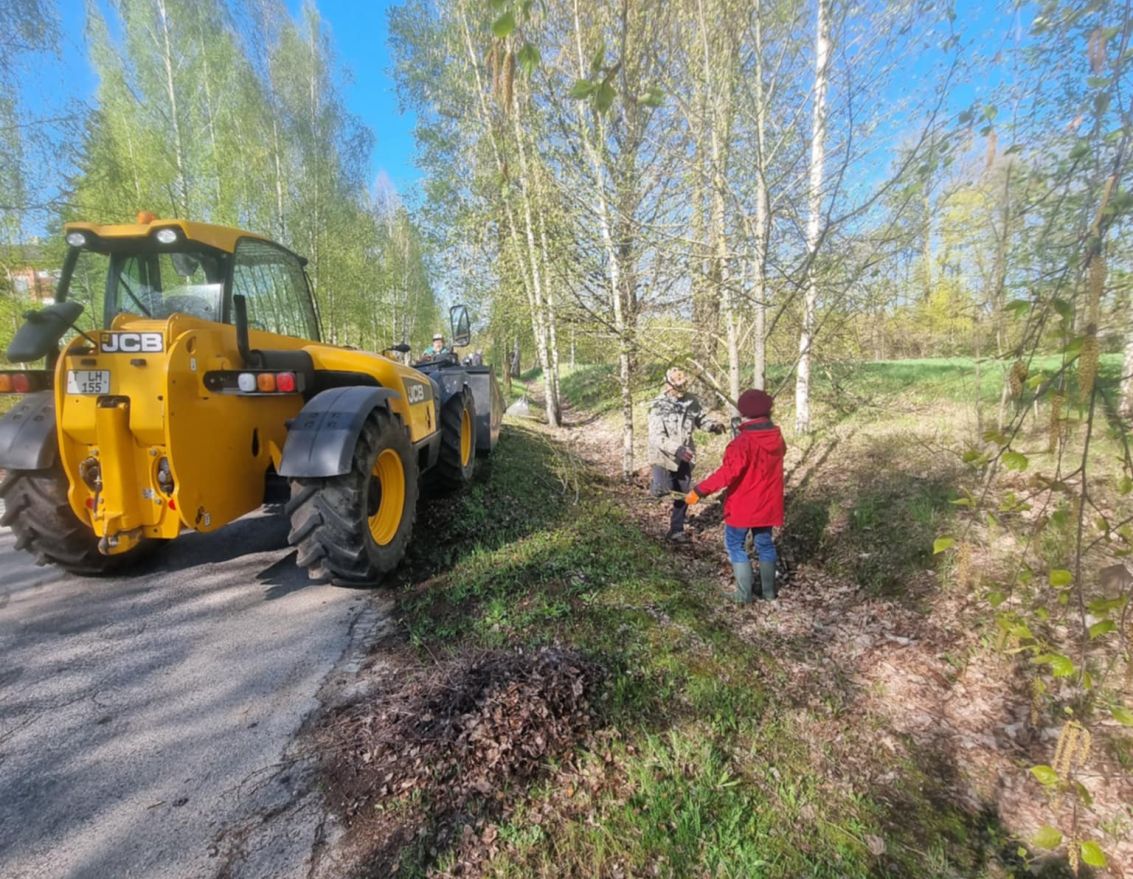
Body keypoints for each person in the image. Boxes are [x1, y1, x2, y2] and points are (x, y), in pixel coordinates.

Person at [685, 388, 785, 604]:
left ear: (744, 413)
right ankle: (769, 593)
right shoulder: (777, 438)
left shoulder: (742, 443)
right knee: (765, 544)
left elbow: (727, 474)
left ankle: (743, 594)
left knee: (735, 545)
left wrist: (699, 491)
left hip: (744, 505)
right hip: (768, 504)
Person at [647, 367, 723, 542]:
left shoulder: (691, 401)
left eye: (684, 384)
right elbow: (656, 437)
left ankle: (676, 530)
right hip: (663, 456)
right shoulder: (659, 406)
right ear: (669, 385)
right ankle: (655, 485)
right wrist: (676, 449)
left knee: (683, 493)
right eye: (678, 385)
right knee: (662, 490)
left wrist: (712, 426)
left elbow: (700, 419)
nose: (682, 389)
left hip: (686, 456)